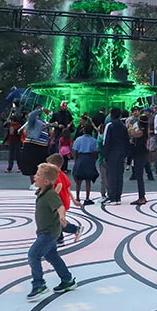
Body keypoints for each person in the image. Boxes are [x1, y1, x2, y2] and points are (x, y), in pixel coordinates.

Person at [26, 162, 76, 301]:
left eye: (38, 175)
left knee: (33, 255)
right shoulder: (42, 192)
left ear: (46, 181)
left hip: (48, 233)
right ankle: (67, 280)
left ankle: (39, 284)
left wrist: (62, 216)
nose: (35, 176)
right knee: (52, 256)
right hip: (46, 232)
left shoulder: (50, 194)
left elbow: (60, 207)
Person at [102, 108, 129, 205]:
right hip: (121, 152)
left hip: (111, 153)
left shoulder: (109, 125)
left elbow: (106, 141)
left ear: (111, 115)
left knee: (111, 175)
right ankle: (118, 196)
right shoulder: (123, 126)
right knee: (119, 174)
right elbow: (127, 140)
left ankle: (112, 196)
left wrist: (104, 155)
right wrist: (126, 153)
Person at [71, 124, 99, 206]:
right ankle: (87, 198)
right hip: (89, 158)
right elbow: (95, 152)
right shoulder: (93, 140)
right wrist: (93, 161)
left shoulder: (78, 139)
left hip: (80, 158)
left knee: (78, 179)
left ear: (83, 130)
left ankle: (77, 197)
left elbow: (75, 151)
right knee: (88, 179)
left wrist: (76, 161)